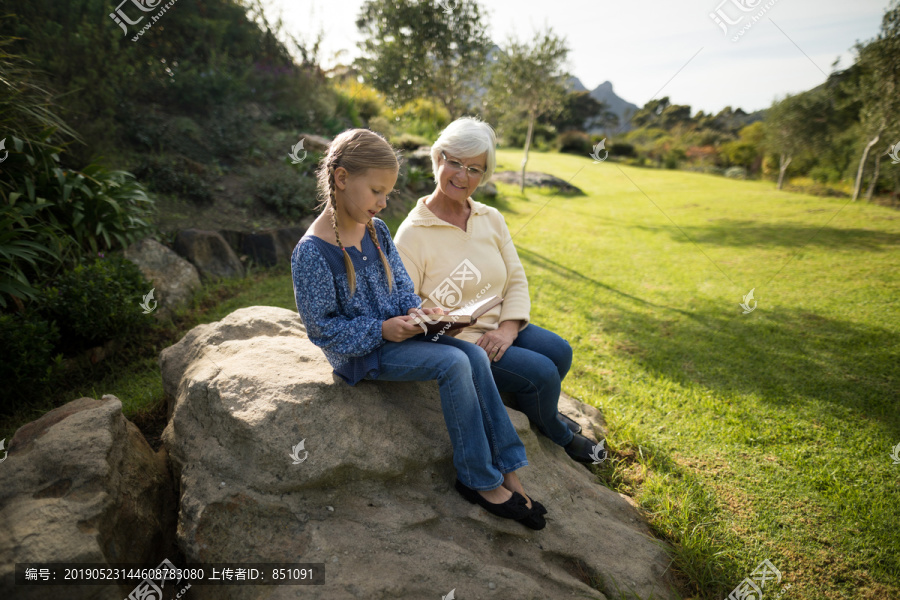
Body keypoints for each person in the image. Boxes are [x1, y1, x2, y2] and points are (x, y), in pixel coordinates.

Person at [290, 128, 547, 529]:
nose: (383, 202)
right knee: (453, 363)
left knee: (474, 353)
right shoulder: (312, 251)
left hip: (399, 334)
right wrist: (382, 330)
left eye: (387, 193)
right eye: (376, 191)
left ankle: (509, 468)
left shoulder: (377, 231)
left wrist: (422, 313)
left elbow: (403, 291)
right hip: (363, 353)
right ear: (341, 179)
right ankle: (477, 479)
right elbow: (323, 330)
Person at [394, 117, 606, 464]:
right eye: (455, 163)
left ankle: (535, 407)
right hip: (463, 344)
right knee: (541, 373)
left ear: (485, 174)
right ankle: (557, 431)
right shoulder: (411, 235)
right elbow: (409, 309)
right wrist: (452, 327)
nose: (462, 176)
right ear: (438, 158)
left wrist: (509, 328)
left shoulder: (490, 217)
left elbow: (516, 278)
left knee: (560, 351)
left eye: (475, 169)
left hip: (500, 327)